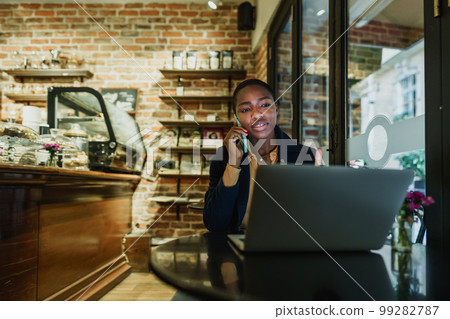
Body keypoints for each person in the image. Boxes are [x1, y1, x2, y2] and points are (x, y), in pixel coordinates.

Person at [203, 79, 318, 232]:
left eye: (264, 105)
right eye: (245, 109)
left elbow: (314, 221)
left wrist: (317, 190)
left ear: (276, 109)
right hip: (239, 247)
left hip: (290, 246)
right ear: (236, 118)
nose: (257, 114)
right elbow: (215, 223)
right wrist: (233, 164)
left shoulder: (305, 155)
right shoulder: (224, 157)